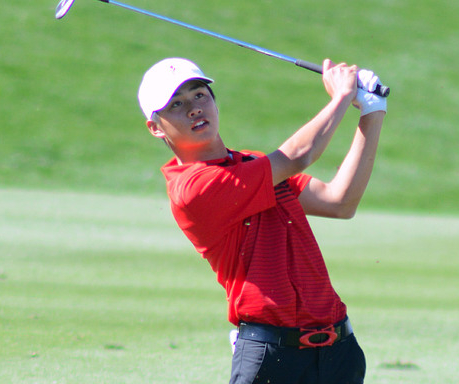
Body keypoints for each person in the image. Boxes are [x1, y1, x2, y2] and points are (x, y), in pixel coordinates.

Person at [138, 57, 387, 384]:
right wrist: (341, 96)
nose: (194, 108)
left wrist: (372, 110)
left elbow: (340, 201)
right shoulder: (193, 188)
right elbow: (298, 155)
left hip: (338, 352)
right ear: (156, 128)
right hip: (272, 356)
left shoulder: (253, 164)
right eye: (176, 104)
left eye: (200, 95)